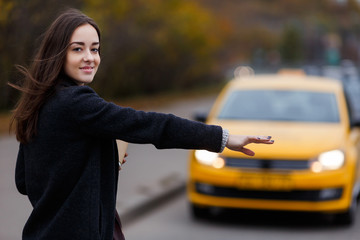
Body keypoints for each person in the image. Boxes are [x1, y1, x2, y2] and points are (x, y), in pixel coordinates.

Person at [9, 8, 274, 240]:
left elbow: (24, 181)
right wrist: (223, 138)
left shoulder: (38, 102)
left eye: (95, 49)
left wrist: (99, 161)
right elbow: (150, 125)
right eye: (78, 48)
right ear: (58, 53)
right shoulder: (77, 102)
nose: (90, 57)